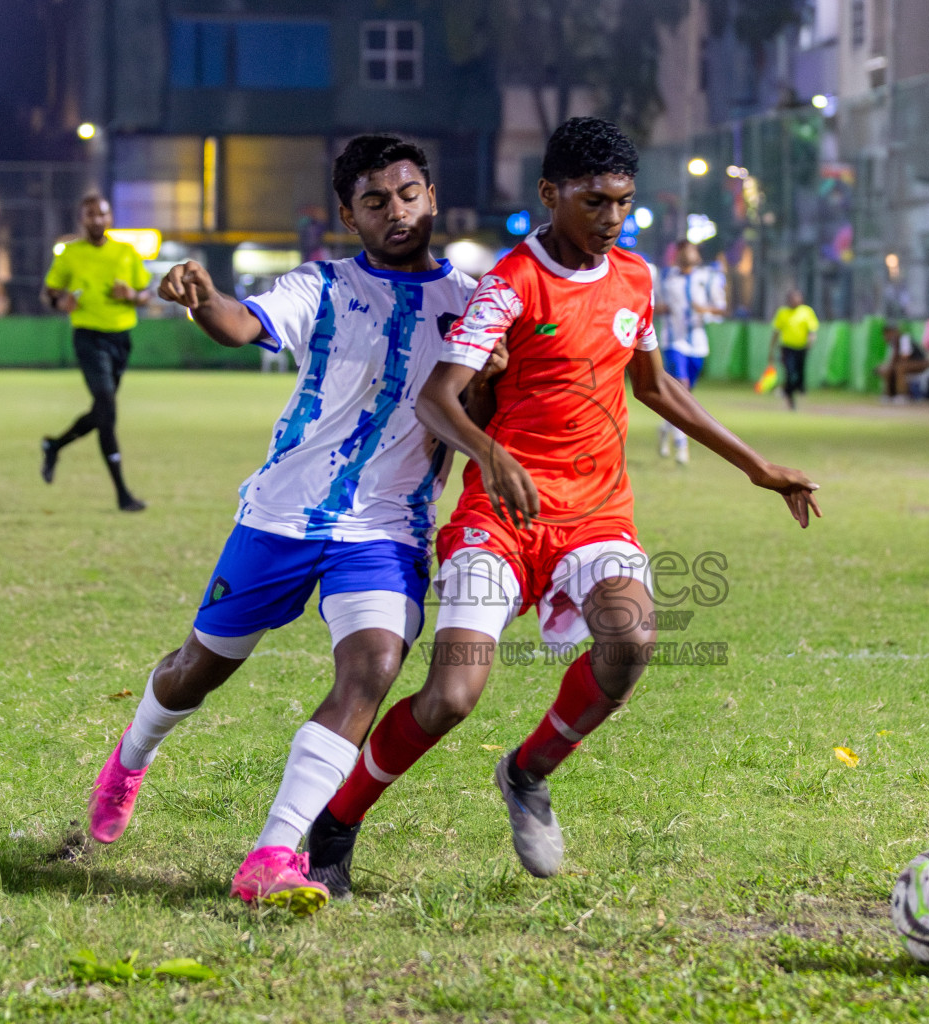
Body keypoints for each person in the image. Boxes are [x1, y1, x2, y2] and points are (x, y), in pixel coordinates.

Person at [302, 117, 820, 898]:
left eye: (623, 203)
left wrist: (755, 466)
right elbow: (438, 398)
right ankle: (337, 820)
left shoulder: (635, 279)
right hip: (500, 517)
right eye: (594, 202)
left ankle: (528, 770)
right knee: (451, 697)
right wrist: (491, 453)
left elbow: (654, 388)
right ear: (551, 194)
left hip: (596, 514)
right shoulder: (509, 284)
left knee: (633, 640)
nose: (611, 219)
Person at [83, 136, 498, 913]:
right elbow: (242, 325)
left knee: (372, 668)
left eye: (408, 194)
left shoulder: (477, 303)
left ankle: (274, 854)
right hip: (280, 518)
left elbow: (477, 411)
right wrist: (203, 295)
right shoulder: (324, 285)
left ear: (432, 197)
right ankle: (130, 757)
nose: (396, 212)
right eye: (375, 202)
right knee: (195, 672)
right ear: (349, 215)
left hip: (388, 531)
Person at [39, 194, 154, 512]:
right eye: (90, 215)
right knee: (107, 408)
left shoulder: (126, 252)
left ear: (110, 217)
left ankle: (54, 445)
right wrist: (59, 303)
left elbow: (146, 292)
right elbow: (49, 292)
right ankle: (122, 494)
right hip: (88, 337)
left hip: (121, 338)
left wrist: (133, 295)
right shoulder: (70, 255)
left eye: (101, 214)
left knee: (102, 411)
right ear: (82, 219)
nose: (97, 220)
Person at [655, 241, 724, 461]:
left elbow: (721, 307)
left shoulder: (708, 277)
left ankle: (666, 428)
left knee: (685, 397)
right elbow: (652, 304)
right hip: (673, 342)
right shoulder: (665, 277)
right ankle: (681, 444)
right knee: (681, 389)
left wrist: (705, 310)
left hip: (698, 343)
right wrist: (660, 308)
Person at [768, 288, 819, 410]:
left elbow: (812, 330)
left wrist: (811, 340)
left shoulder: (807, 311)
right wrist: (771, 349)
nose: (795, 301)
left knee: (799, 375)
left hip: (801, 348)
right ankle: (790, 397)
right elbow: (776, 331)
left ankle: (790, 390)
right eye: (793, 298)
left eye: (797, 298)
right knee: (790, 373)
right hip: (787, 348)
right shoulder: (782, 312)